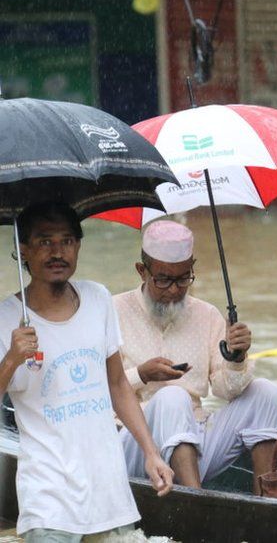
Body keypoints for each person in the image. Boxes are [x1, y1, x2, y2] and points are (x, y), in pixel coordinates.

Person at [0, 202, 173, 541]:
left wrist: (151, 453)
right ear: (24, 250)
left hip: (107, 492)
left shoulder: (98, 298)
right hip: (47, 497)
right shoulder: (7, 317)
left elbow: (118, 383)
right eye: (45, 241)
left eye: (66, 241)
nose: (57, 252)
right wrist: (11, 359)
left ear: (78, 246)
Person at [114, 220, 277, 494]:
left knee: (267, 393)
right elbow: (95, 391)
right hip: (133, 443)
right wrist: (141, 374)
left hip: (193, 437)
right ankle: (196, 504)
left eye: (183, 279)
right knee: (173, 397)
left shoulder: (207, 314)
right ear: (141, 271)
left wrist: (236, 358)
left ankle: (266, 502)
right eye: (163, 279)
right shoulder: (113, 311)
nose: (173, 290)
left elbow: (226, 390)